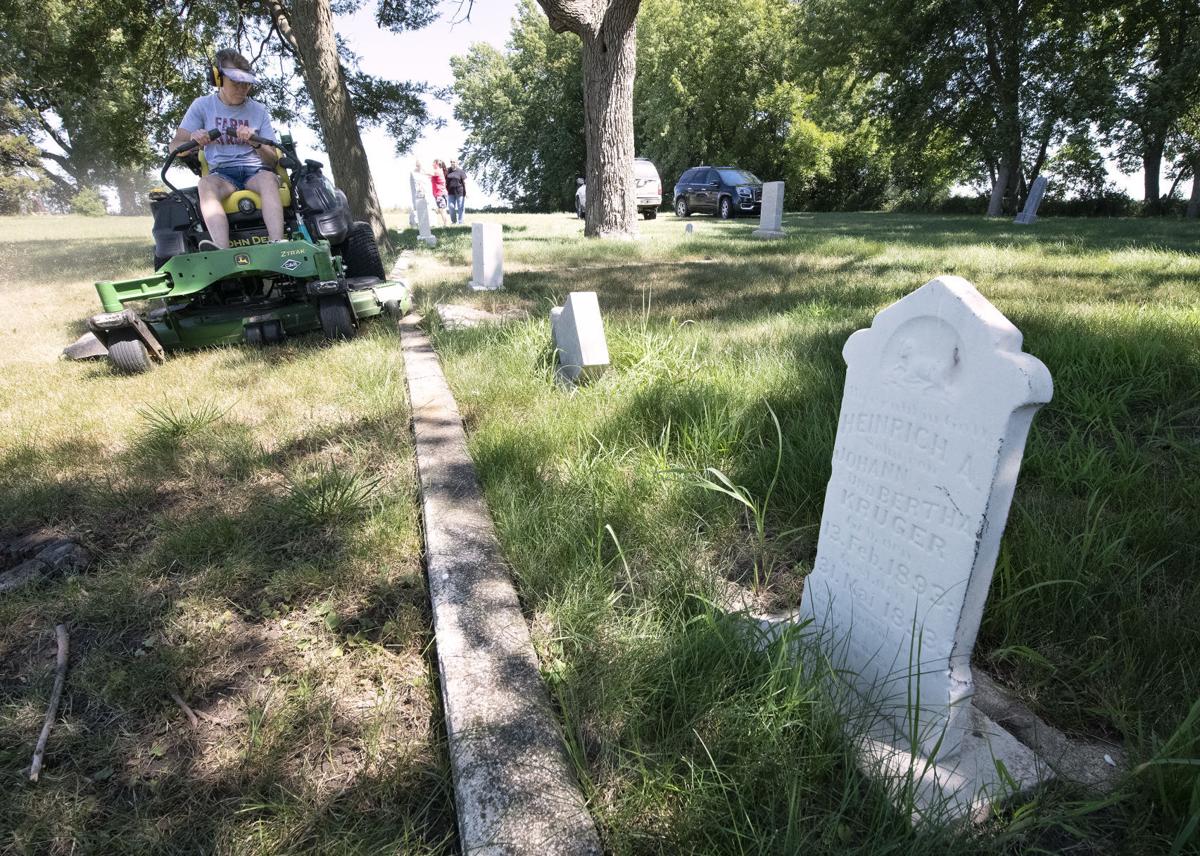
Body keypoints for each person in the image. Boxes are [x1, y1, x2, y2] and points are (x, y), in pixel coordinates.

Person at [171, 48, 284, 250]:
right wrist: (193, 139)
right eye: (236, 82)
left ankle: (277, 243)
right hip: (222, 174)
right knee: (205, 185)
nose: (242, 88)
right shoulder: (202, 106)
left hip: (255, 172)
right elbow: (175, 147)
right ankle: (221, 251)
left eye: (246, 83)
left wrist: (255, 142)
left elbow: (272, 161)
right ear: (218, 78)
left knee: (269, 179)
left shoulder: (258, 110)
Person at [445, 160, 468, 224]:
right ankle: (453, 221)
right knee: (451, 207)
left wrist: (466, 192)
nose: (452, 163)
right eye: (451, 162)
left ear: (457, 163)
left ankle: (460, 222)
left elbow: (465, 182)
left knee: (461, 207)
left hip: (460, 192)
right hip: (450, 192)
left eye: (454, 162)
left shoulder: (461, 172)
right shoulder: (448, 171)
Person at [430, 159, 450, 227]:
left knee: (442, 210)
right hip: (442, 193)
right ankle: (446, 224)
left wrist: (420, 168)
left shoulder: (437, 171)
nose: (432, 164)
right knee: (442, 209)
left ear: (437, 164)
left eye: (433, 163)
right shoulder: (439, 171)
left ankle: (446, 225)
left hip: (439, 194)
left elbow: (428, 173)